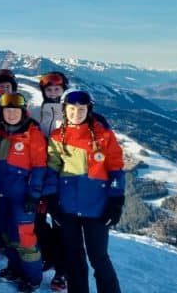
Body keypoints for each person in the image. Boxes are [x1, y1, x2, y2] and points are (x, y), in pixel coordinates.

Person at [44, 89, 124, 293]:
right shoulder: (56, 137)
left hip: (96, 208)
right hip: (67, 207)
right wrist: (52, 200)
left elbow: (116, 170)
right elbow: (52, 169)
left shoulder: (104, 135)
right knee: (73, 256)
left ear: (88, 110)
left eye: (81, 109)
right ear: (64, 109)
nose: (76, 113)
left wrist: (116, 202)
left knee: (98, 256)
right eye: (71, 109)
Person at [0, 92, 47, 293]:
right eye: (7, 111)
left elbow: (40, 168)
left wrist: (34, 195)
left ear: (22, 112)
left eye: (15, 111)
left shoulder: (32, 134)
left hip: (22, 196)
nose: (11, 114)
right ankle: (14, 268)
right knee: (8, 234)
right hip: (2, 194)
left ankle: (33, 277)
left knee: (24, 237)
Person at [28, 71, 70, 290]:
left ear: (63, 90)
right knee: (37, 221)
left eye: (57, 89)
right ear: (43, 91)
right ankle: (48, 256)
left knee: (61, 224)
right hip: (40, 175)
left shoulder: (69, 113)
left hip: (65, 177)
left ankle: (61, 272)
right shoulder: (34, 112)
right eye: (49, 89)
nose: (53, 93)